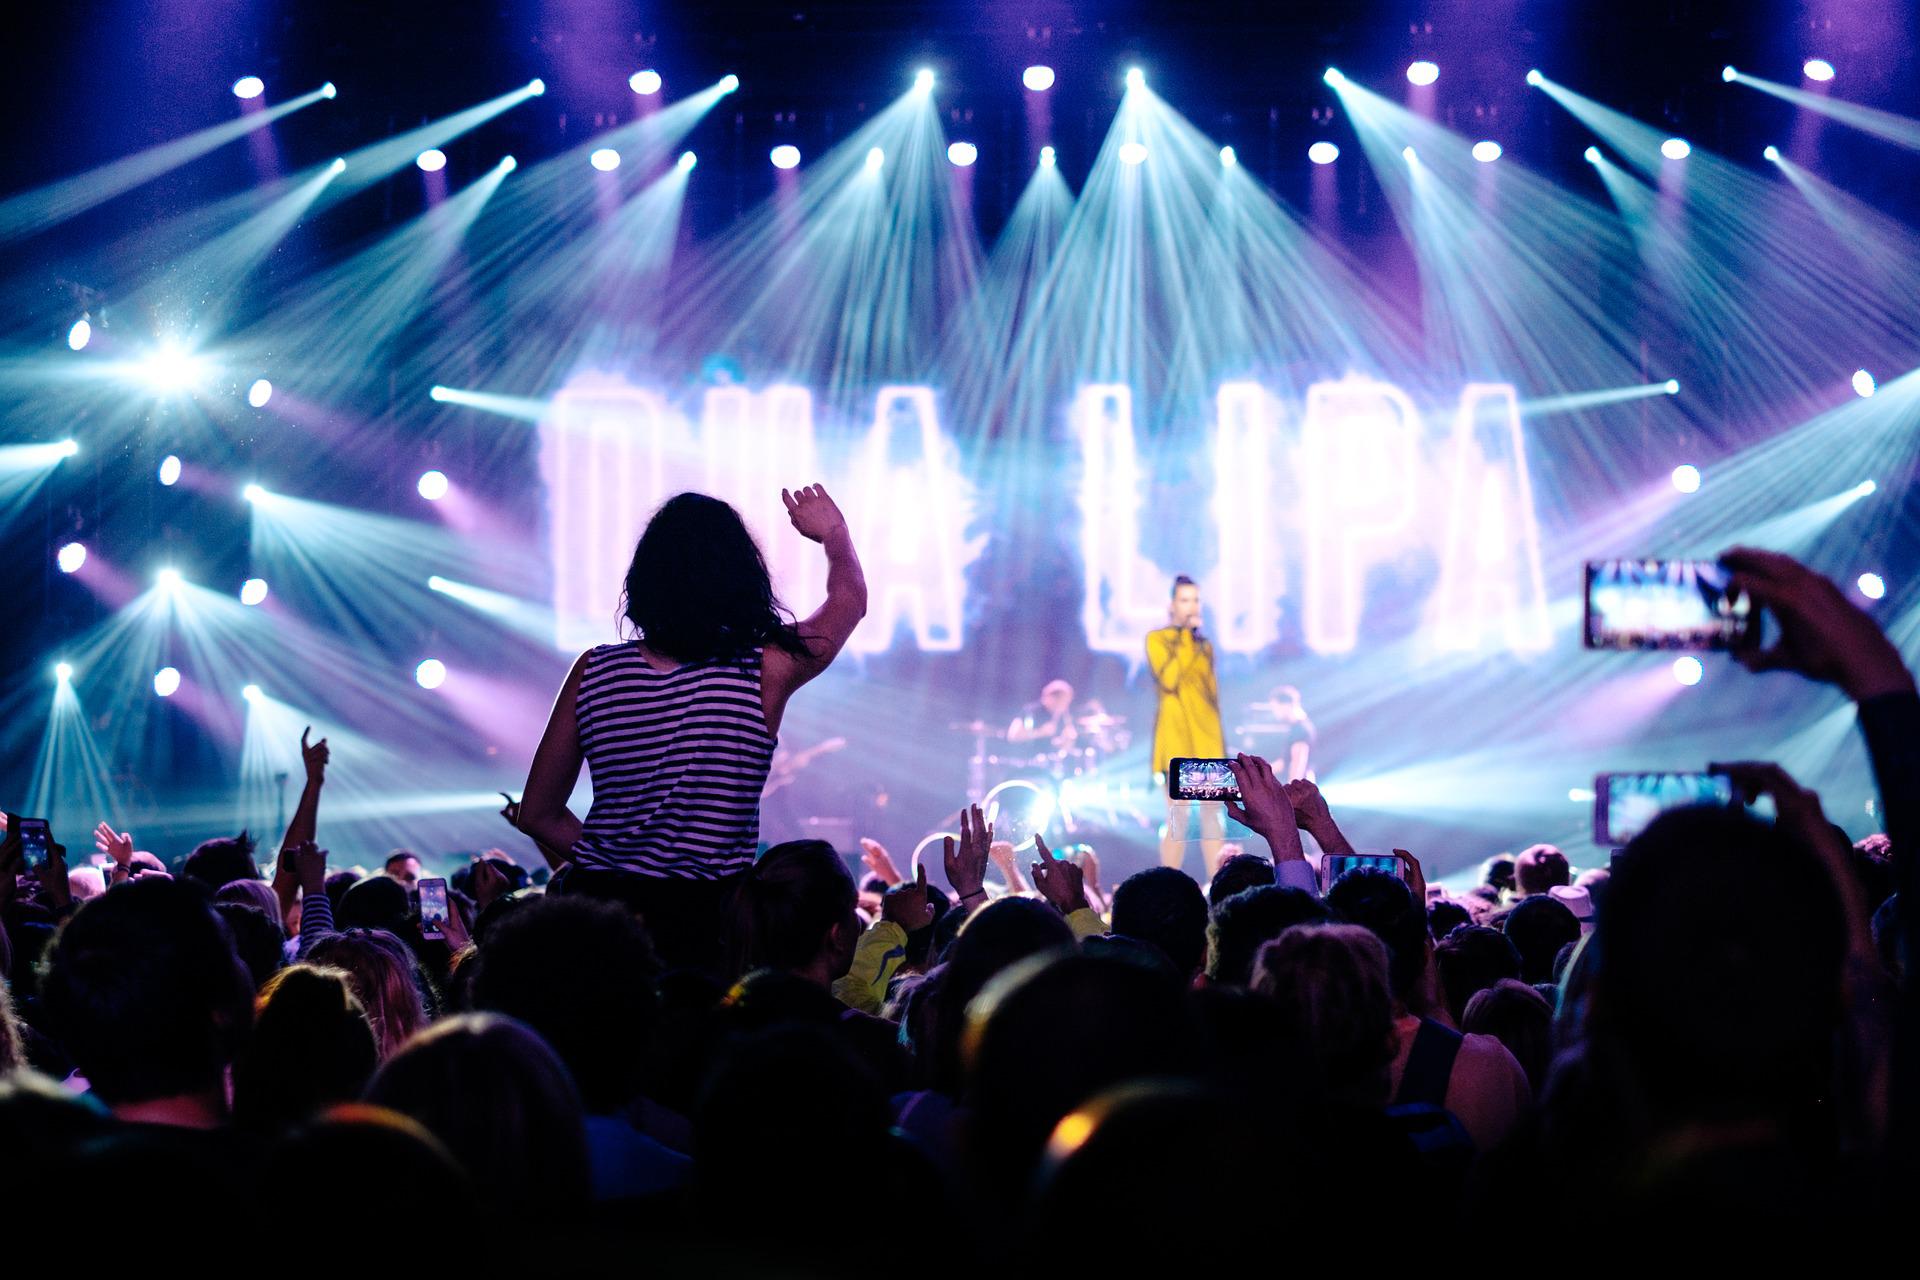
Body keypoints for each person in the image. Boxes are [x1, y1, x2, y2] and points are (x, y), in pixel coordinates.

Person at [515, 485, 867, 972]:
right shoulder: (764, 669)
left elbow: (536, 813)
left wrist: (613, 865)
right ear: (741, 578)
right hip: (710, 925)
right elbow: (848, 600)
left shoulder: (595, 671)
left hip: (598, 920)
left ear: (646, 581)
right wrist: (835, 536)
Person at [1148, 575, 1226, 873]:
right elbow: (1169, 680)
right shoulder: (1157, 640)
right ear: (1172, 605)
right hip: (1176, 741)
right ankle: (1169, 880)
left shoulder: (1204, 646)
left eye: (1195, 599)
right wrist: (1183, 637)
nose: (1191, 606)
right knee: (1178, 815)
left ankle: (1217, 881)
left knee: (1212, 817)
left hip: (1207, 742)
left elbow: (1212, 697)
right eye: (1184, 599)